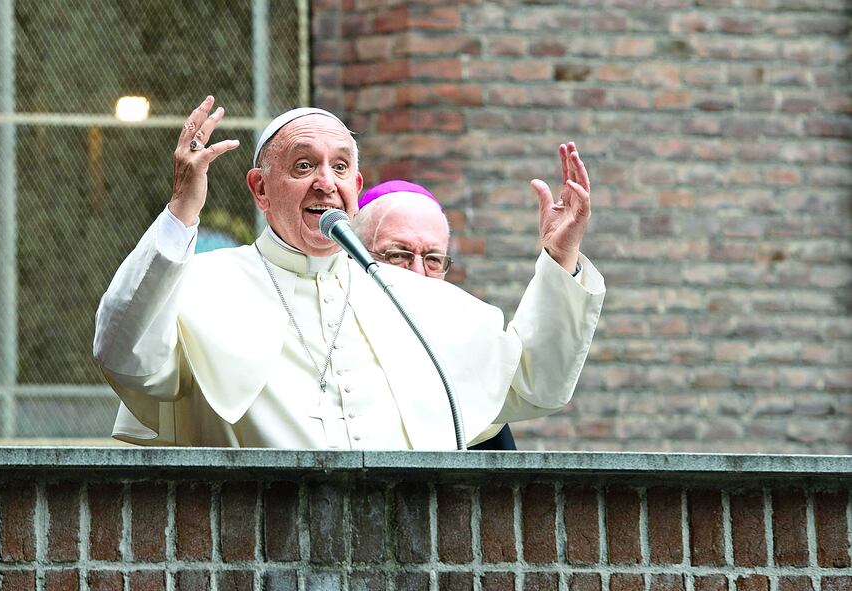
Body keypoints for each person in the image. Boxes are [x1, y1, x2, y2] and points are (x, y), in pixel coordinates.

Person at [93, 97, 605, 450]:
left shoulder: (411, 297)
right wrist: (183, 209)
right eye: (302, 167)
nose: (325, 183)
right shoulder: (205, 286)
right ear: (260, 189)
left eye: (339, 168)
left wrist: (561, 257)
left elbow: (537, 382)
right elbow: (125, 356)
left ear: (356, 186)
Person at [352, 179, 517, 450]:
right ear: (353, 256)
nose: (417, 273)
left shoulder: (464, 356)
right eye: (397, 255)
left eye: (432, 260)